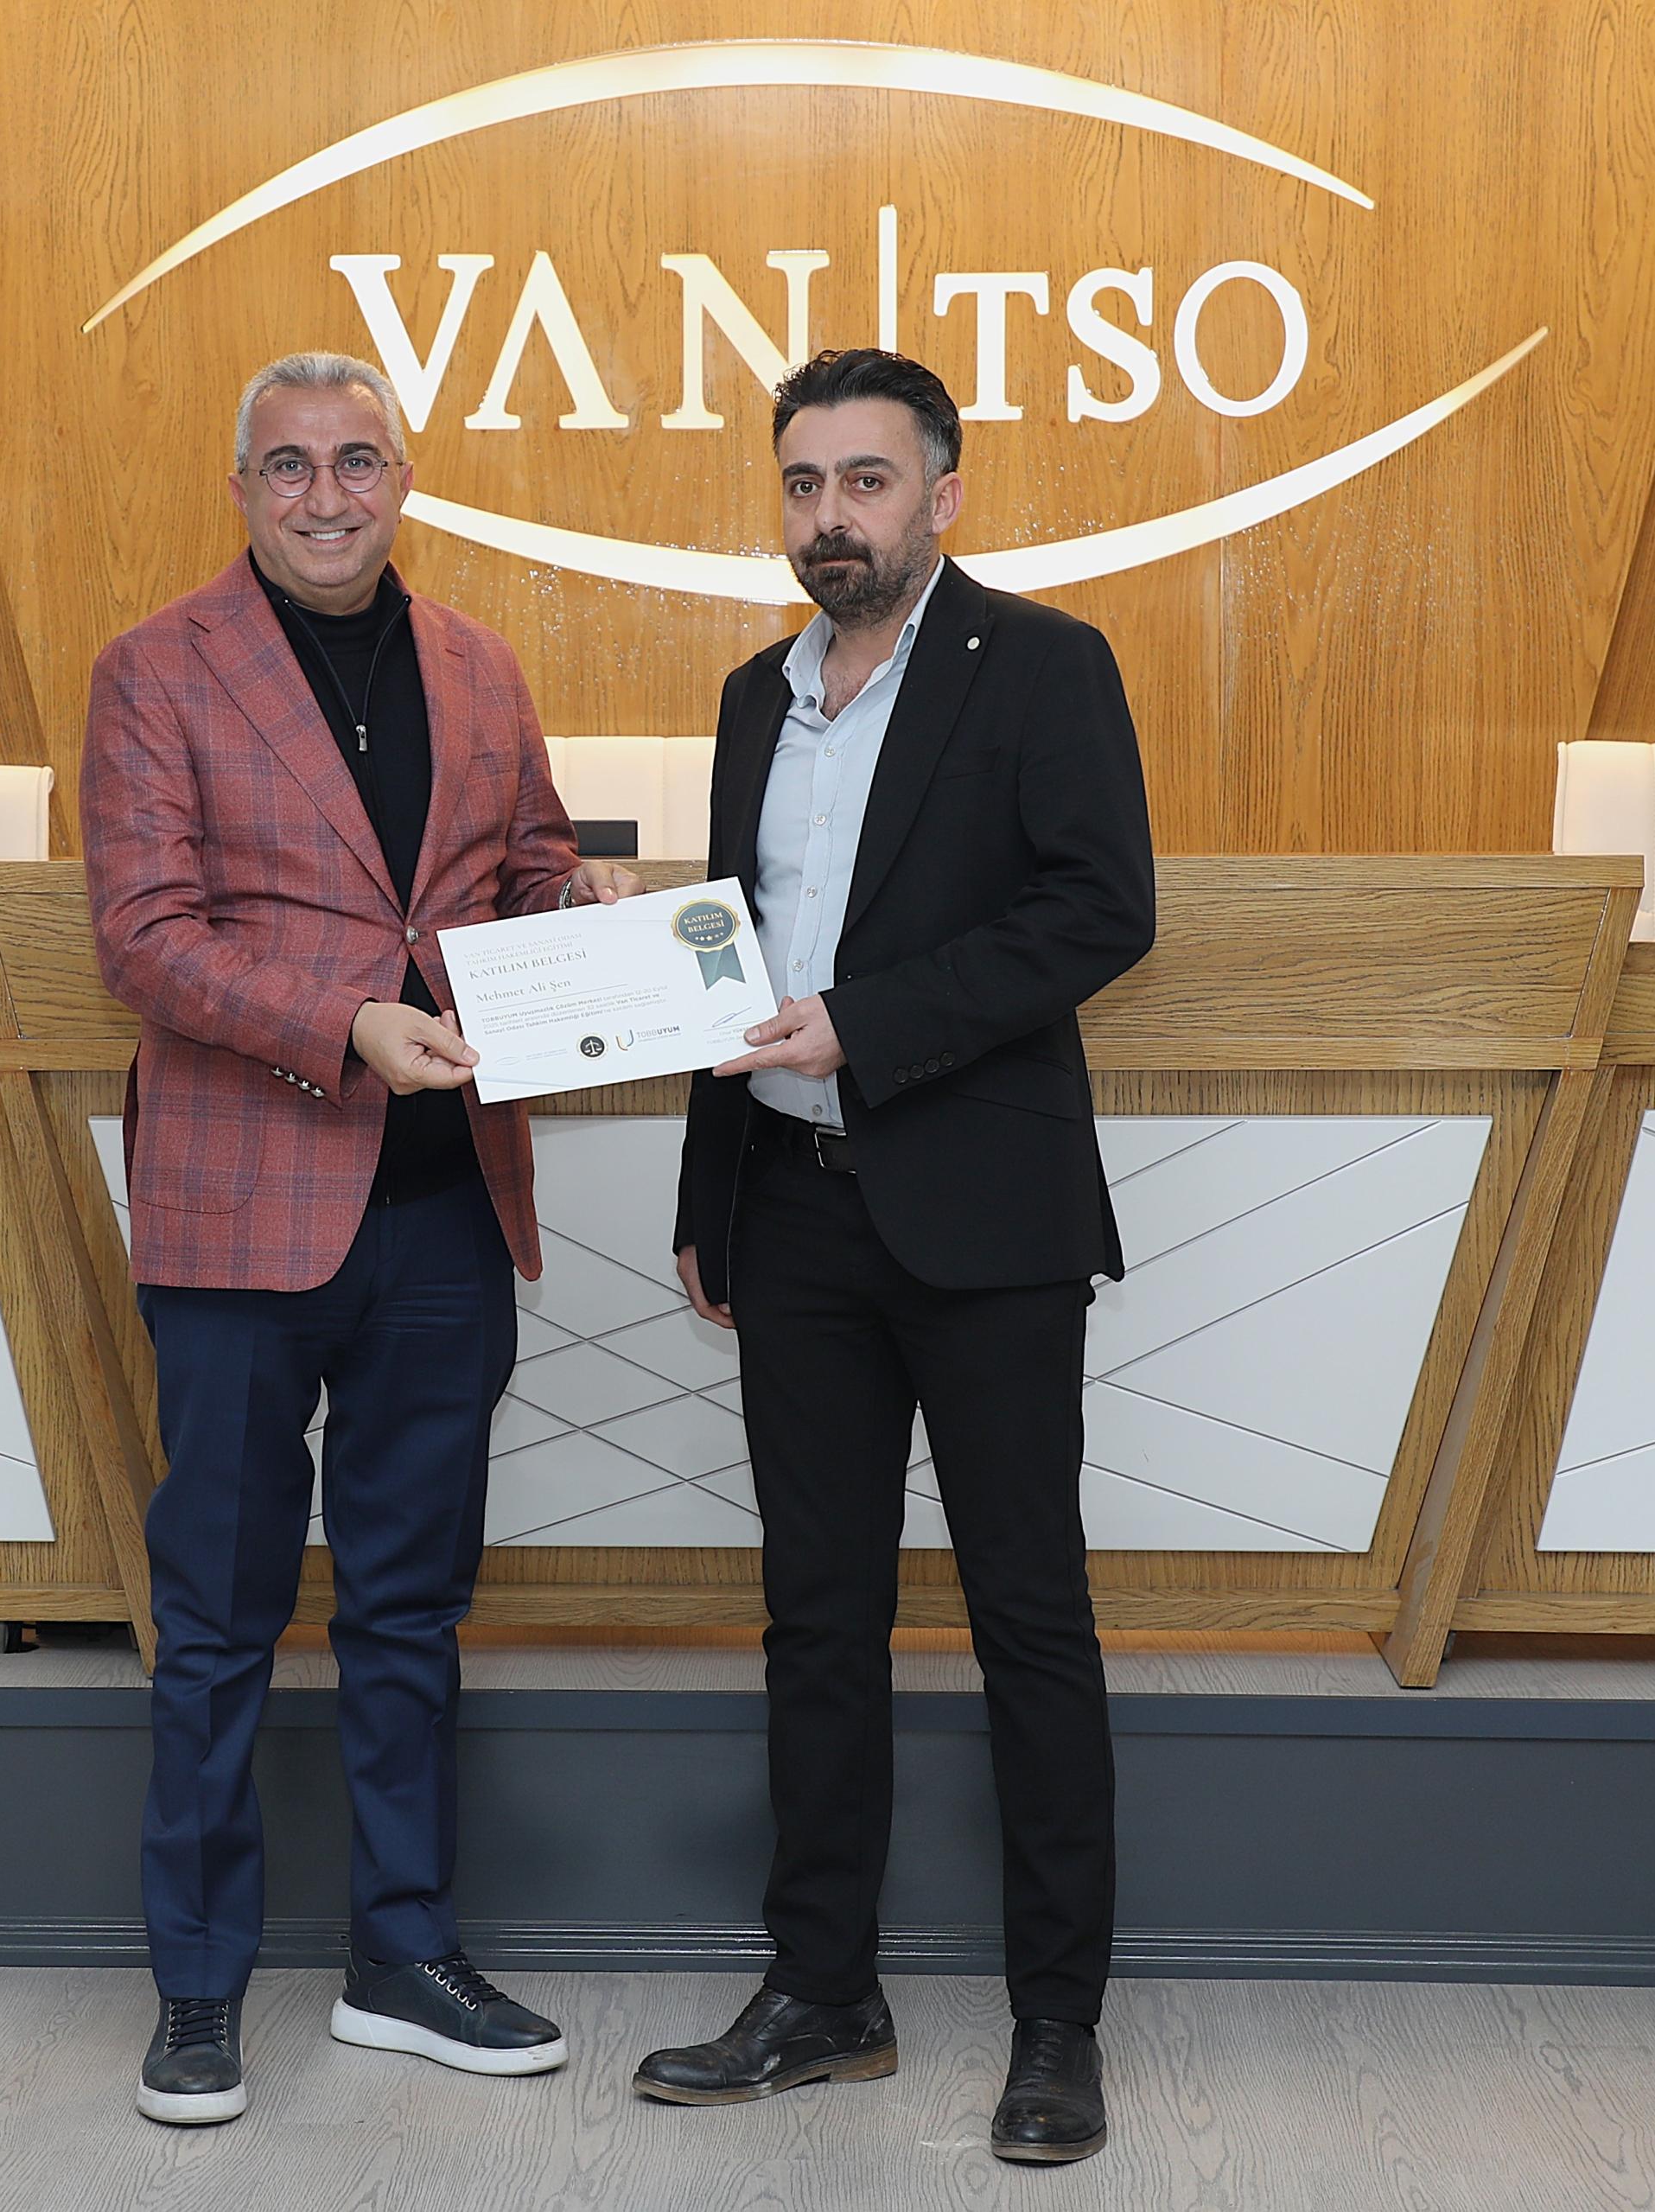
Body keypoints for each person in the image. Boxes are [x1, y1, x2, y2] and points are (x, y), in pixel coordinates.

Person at [81, 349, 640, 2126]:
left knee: (410, 1609)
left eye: (357, 461)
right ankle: (197, 1984)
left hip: (443, 1213)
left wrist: (585, 900)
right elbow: (144, 934)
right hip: (239, 1221)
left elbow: (522, 865)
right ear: (242, 488)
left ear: (403, 478)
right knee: (220, 1618)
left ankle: (403, 1955)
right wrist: (343, 1023)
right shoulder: (154, 669)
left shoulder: (479, 663)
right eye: (289, 465)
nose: (325, 495)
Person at [632, 348, 1155, 2165]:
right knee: (817, 1615)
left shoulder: (1045, 665)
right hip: (789, 1212)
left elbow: (1100, 910)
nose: (829, 516)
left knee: (1027, 1614)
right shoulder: (751, 697)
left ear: (943, 493)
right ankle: (822, 1992)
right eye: (802, 484)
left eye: (864, 480)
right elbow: (736, 953)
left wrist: (866, 1026)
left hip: (983, 1215)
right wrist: (707, 1193)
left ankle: (1056, 2022)